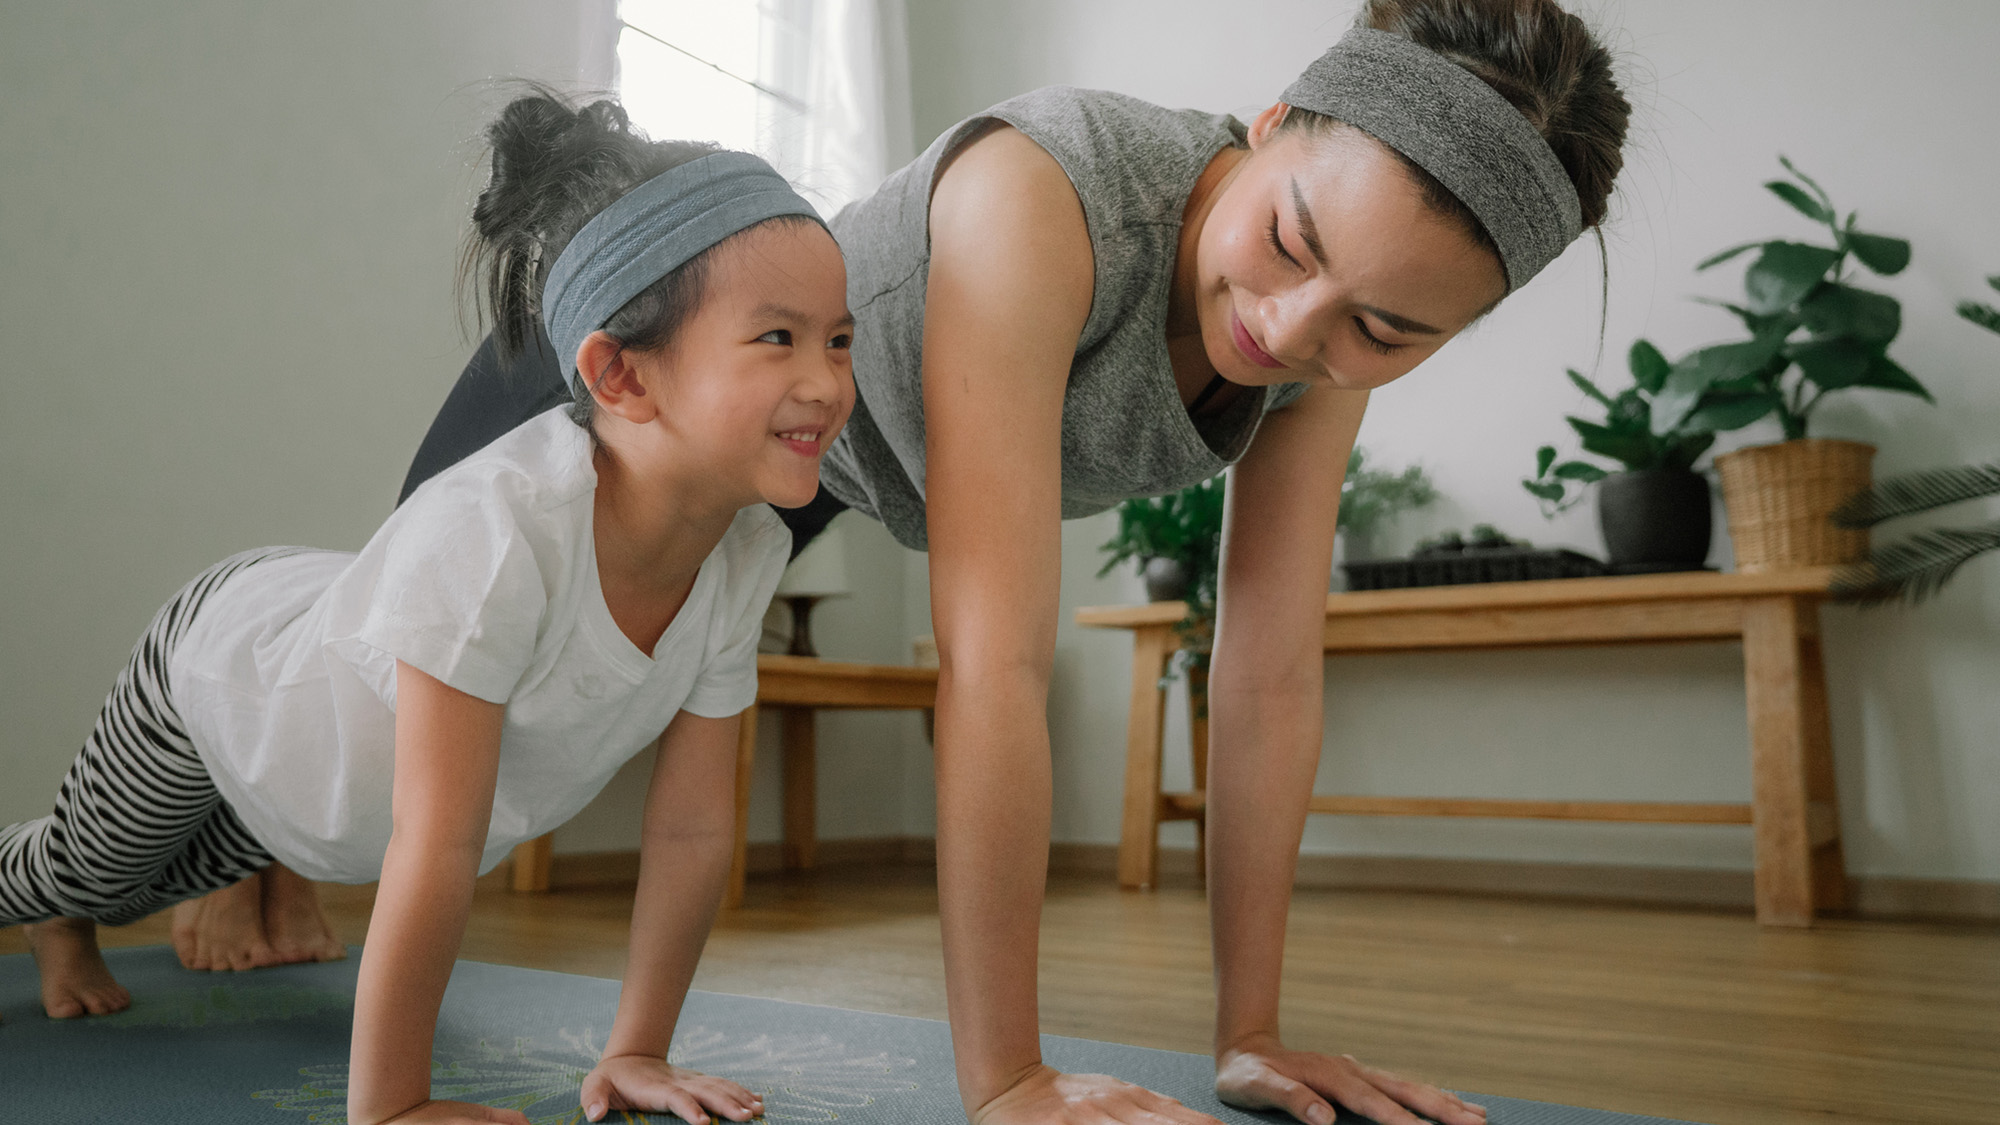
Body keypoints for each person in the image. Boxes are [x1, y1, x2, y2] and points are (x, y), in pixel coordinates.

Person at [184, 2, 1633, 1123]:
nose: (1295, 328)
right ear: (1267, 129)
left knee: (509, 734)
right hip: (664, 409)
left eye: (1386, 330)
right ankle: (229, 845)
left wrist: (1247, 1033)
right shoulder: (1049, 192)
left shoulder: (1327, 341)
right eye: (1290, 241)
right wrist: (1007, 1082)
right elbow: (993, 658)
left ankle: (257, 857)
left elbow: (1264, 671)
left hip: (805, 479)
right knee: (369, 679)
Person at [0, 93, 857, 1125]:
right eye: (778, 338)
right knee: (84, 867)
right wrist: (393, 1106)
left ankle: (73, 912)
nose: (826, 382)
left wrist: (637, 1050)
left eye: (841, 340)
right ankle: (61, 914)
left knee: (172, 865)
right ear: (622, 375)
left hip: (322, 790)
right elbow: (437, 842)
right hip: (223, 675)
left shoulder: (744, 547)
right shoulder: (500, 530)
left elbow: (688, 832)